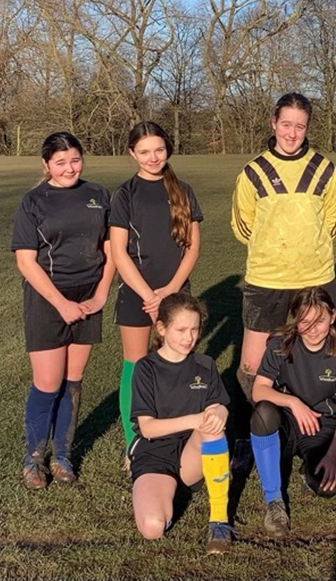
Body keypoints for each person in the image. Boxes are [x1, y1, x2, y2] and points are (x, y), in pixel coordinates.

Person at [230, 92, 336, 472]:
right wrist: (276, 250)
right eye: (286, 124)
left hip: (315, 278)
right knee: (251, 364)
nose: (292, 132)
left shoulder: (325, 170)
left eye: (300, 125)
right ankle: (256, 433)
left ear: (307, 128)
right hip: (266, 279)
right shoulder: (252, 172)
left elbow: (332, 223)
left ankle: (322, 431)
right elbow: (244, 226)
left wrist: (303, 251)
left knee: (320, 356)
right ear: (272, 124)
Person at [11, 132, 115, 489]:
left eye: (75, 160)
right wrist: (61, 303)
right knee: (48, 382)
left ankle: (63, 456)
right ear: (46, 165)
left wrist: (101, 295)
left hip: (88, 297)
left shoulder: (99, 195)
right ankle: (33, 459)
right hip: (48, 299)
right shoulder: (34, 201)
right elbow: (25, 261)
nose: (69, 168)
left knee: (73, 381)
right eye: (60, 162)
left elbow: (111, 249)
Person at [109, 122, 203, 456]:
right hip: (137, 294)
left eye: (159, 150)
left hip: (176, 294)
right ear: (132, 153)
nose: (153, 157)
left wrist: (170, 292)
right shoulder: (123, 194)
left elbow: (192, 248)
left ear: (168, 150)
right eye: (145, 151)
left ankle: (181, 440)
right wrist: (149, 296)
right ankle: (133, 443)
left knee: (179, 363)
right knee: (135, 366)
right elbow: (118, 251)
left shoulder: (184, 191)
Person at [129, 293, 234, 554]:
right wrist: (193, 419)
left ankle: (219, 520)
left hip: (192, 451)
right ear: (161, 329)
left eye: (195, 329)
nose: (189, 338)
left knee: (212, 427)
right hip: (154, 452)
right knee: (154, 527)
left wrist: (221, 411)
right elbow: (147, 428)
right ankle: (169, 488)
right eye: (181, 330)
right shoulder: (146, 368)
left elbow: (215, 406)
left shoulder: (205, 365)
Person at [249, 287, 336, 536]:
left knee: (327, 488)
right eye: (304, 321)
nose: (312, 329)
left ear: (333, 316)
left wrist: (332, 455)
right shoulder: (280, 344)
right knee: (263, 413)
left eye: (319, 320)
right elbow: (259, 391)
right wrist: (293, 403)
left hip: (322, 425)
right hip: (289, 420)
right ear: (295, 321)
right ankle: (274, 500)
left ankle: (310, 467)